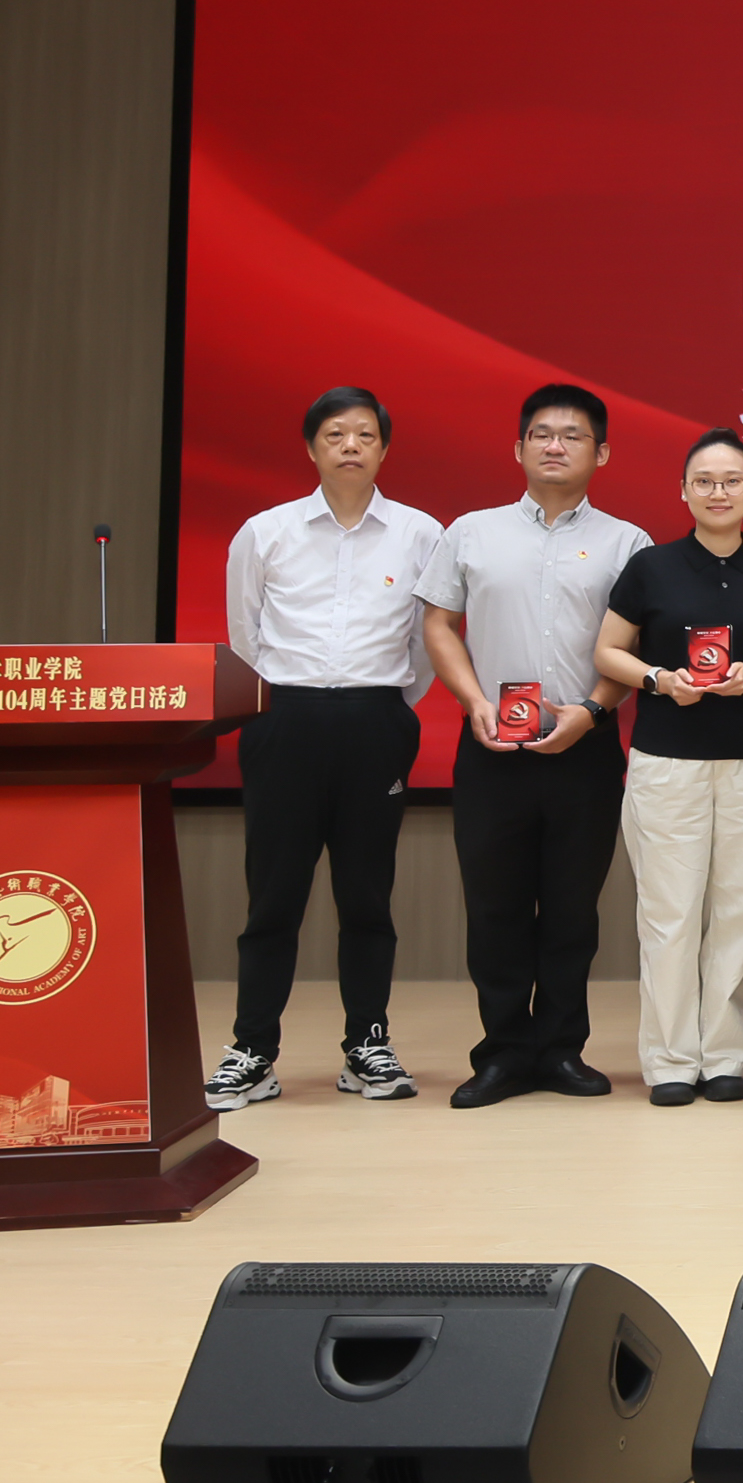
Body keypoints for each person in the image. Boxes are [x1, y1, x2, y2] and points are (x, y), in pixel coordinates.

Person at [205, 387, 445, 1113]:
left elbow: (426, 646)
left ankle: (367, 1043)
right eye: (335, 434)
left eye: (365, 435)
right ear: (311, 448)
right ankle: (253, 1049)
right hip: (285, 720)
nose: (350, 446)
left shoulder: (421, 534)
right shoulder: (266, 531)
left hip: (376, 722)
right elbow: (244, 635)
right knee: (273, 896)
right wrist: (292, 701)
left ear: (384, 449)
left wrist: (383, 705)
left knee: (367, 895)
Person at [419, 383, 648, 1109]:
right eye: (542, 433)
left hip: (585, 746)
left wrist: (592, 711)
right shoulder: (470, 533)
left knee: (573, 910)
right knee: (495, 908)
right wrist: (475, 703)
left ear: (601, 453)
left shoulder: (628, 543)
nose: (555, 445)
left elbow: (635, 647)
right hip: (492, 747)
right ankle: (502, 1053)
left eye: (573, 435)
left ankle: (560, 1048)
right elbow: (437, 625)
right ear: (517, 448)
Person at [592, 431, 743, 1107]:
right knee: (669, 915)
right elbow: (608, 652)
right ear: (683, 491)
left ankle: (725, 1055)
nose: (718, 492)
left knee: (738, 914)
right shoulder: (651, 567)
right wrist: (658, 678)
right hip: (667, 763)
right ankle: (671, 1060)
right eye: (704, 481)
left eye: (732, 480)